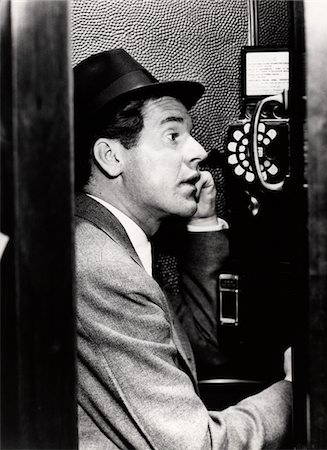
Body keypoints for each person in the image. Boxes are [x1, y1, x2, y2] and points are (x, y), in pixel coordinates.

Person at [74, 47, 292, 450]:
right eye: (173, 135)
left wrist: (202, 224)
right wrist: (299, 390)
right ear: (111, 156)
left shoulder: (111, 241)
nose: (198, 151)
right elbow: (200, 446)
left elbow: (202, 349)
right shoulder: (101, 267)